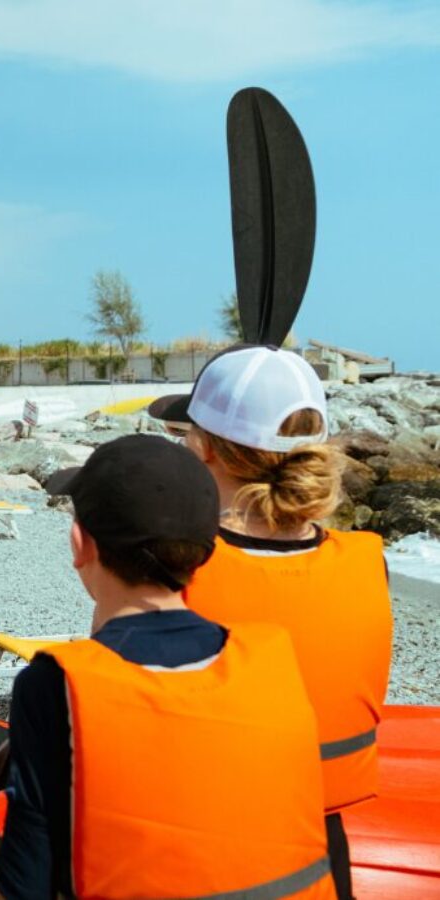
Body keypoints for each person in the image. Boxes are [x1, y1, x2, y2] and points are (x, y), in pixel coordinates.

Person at [0, 434, 336, 899]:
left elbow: (19, 892)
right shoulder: (271, 656)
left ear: (79, 545)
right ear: (206, 552)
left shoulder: (57, 684)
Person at [152, 345, 393, 899]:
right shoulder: (367, 562)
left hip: (207, 851)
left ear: (202, 448)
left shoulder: (175, 564)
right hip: (322, 849)